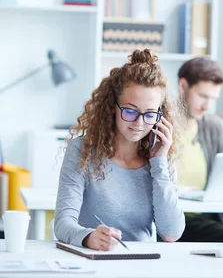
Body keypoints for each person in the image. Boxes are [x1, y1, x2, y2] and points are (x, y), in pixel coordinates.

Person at [54, 49, 185, 250]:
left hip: (142, 263)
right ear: (112, 106)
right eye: (130, 111)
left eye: (150, 114)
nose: (140, 123)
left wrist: (159, 162)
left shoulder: (160, 156)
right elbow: (63, 223)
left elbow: (171, 233)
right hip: (94, 259)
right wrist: (88, 237)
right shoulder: (82, 150)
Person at [177, 56, 223, 242]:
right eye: (202, 96)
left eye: (213, 98)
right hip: (173, 220)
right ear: (183, 86)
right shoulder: (156, 124)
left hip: (205, 217)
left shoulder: (214, 126)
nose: (207, 106)